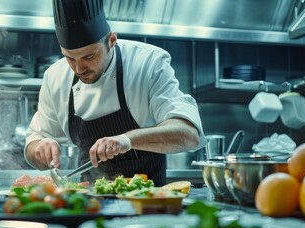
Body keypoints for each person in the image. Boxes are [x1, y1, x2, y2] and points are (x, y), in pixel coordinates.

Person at [24, 0, 206, 186]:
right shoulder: (55, 76)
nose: (79, 69)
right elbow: (32, 145)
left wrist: (127, 140)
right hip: (88, 203)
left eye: (89, 56)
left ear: (111, 40)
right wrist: (40, 147)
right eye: (69, 58)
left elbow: (189, 134)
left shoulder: (148, 63)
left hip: (148, 202)